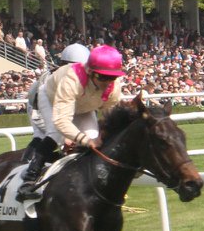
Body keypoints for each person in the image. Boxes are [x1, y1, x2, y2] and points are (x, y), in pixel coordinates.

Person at [16, 44, 127, 200]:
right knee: (56, 133)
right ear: (90, 71)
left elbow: (110, 117)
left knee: (93, 136)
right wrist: (85, 140)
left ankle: (85, 181)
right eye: (102, 77)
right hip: (51, 98)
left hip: (83, 105)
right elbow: (61, 121)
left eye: (112, 77)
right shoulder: (72, 78)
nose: (107, 83)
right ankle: (29, 179)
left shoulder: (113, 87)